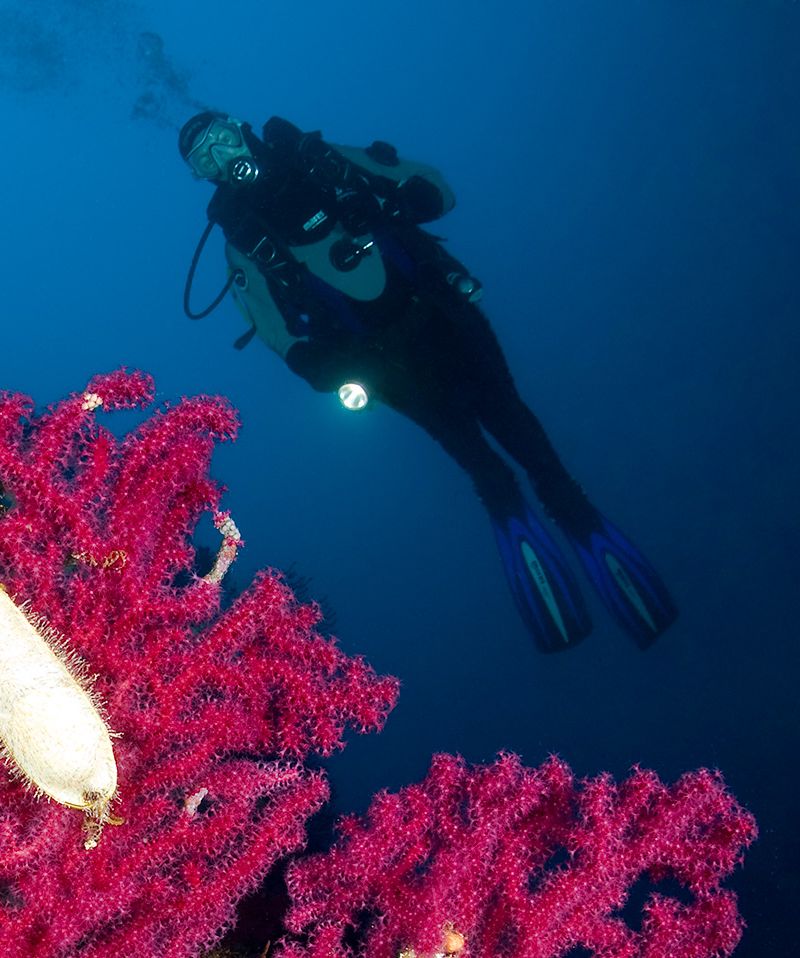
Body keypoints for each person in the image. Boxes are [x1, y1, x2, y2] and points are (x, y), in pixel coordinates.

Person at [178, 110, 677, 652]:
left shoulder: (319, 160)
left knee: (519, 429)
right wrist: (324, 368)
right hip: (384, 365)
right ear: (201, 176)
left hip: (445, 315)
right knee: (481, 463)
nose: (223, 156)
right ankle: (516, 515)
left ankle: (573, 511)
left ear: (240, 128)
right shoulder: (242, 240)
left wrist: (394, 203)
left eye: (223, 139)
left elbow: (437, 187)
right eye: (205, 156)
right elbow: (273, 329)